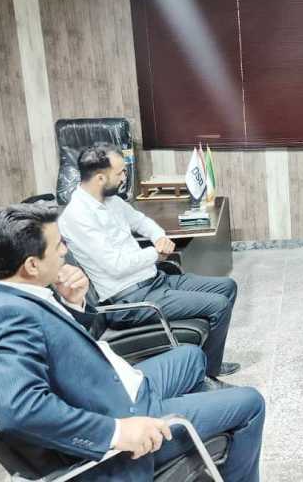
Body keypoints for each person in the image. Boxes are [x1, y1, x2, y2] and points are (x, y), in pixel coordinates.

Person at [0, 204, 265, 482]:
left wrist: (74, 303)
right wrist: (117, 432)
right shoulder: (6, 315)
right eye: (58, 246)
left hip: (119, 388)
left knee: (192, 357)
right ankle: (185, 434)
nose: (65, 251)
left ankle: (199, 444)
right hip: (121, 416)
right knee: (251, 404)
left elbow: (62, 349)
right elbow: (20, 409)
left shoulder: (5, 297)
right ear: (31, 265)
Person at [57, 143, 239, 381]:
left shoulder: (110, 200)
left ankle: (206, 362)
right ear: (100, 178)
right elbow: (116, 265)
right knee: (219, 305)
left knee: (227, 286)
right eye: (120, 172)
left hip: (153, 280)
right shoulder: (77, 216)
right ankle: (207, 374)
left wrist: (159, 237)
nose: (124, 177)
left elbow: (140, 221)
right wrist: (155, 253)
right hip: (130, 299)